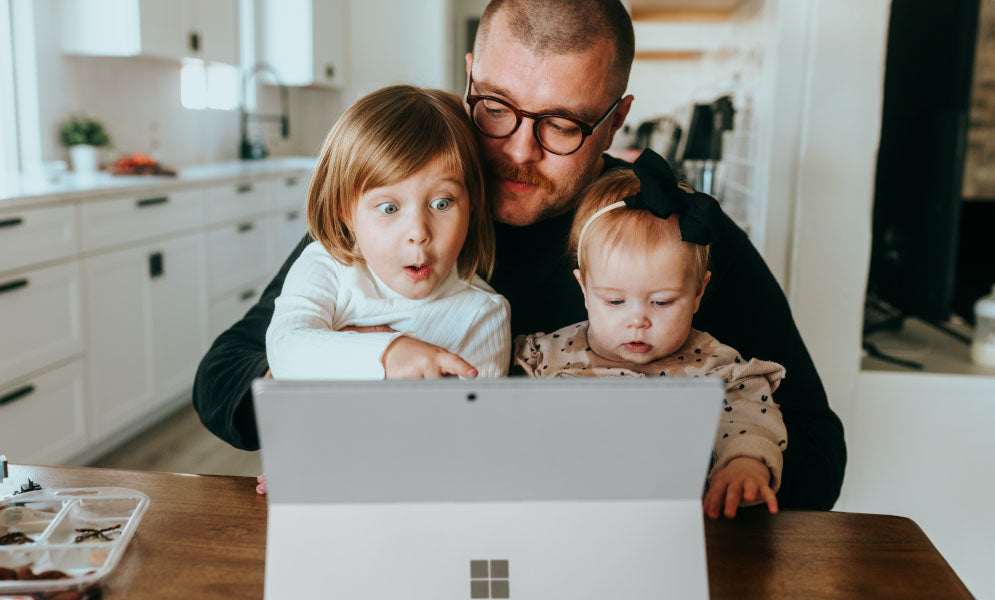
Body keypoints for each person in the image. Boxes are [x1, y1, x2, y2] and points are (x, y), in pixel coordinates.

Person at [194, 0, 847, 510]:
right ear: (470, 76)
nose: (518, 151)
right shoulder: (406, 211)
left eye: (562, 124)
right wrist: (344, 375)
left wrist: (702, 460)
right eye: (496, 108)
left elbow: (818, 445)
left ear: (615, 120)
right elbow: (222, 378)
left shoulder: (668, 230)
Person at [514, 151, 787, 519]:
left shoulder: (716, 370)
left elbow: (748, 421)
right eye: (614, 301)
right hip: (564, 521)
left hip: (669, 524)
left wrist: (745, 466)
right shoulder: (545, 355)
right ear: (584, 288)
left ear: (698, 293)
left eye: (661, 302)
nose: (638, 321)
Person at [265, 85, 510, 382]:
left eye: (441, 204)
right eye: (390, 208)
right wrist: (389, 354)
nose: (418, 233)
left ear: (472, 205)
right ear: (345, 212)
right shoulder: (326, 267)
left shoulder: (483, 315)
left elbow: (474, 411)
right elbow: (285, 348)